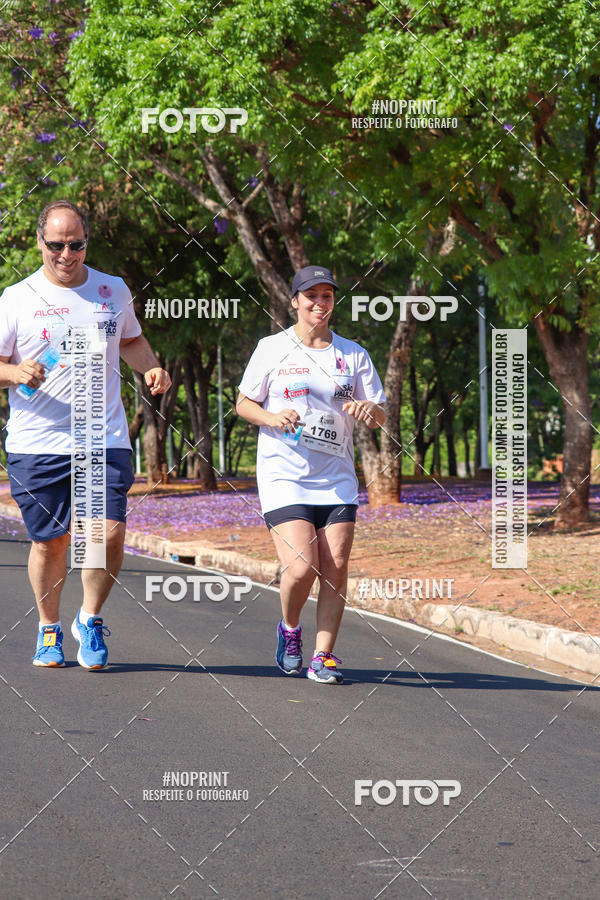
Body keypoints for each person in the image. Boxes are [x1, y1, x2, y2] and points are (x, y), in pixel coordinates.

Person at [0, 199, 171, 669]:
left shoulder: (111, 290)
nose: (66, 254)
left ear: (86, 242)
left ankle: (90, 619)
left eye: (76, 244)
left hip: (103, 435)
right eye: (56, 245)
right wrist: (15, 373)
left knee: (107, 534)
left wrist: (151, 368)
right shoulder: (16, 298)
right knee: (50, 542)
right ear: (40, 241)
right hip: (38, 441)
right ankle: (48, 629)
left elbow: (131, 338)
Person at [236, 265, 386, 683]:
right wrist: (271, 416)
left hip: (336, 475)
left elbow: (379, 413)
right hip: (284, 473)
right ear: (295, 301)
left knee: (335, 565)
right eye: (311, 296)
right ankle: (289, 628)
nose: (320, 303)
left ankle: (323, 657)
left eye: (327, 295)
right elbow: (243, 404)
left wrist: (367, 409)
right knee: (302, 568)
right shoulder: (272, 348)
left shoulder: (352, 354)